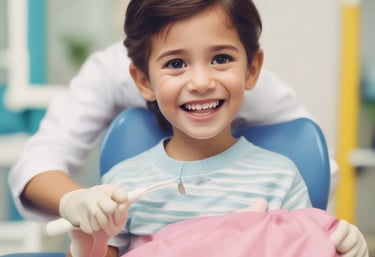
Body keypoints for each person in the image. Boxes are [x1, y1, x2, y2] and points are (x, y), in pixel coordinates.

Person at [63, 0, 367, 256]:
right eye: (176, 64)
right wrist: (89, 241)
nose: (201, 83)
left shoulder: (280, 179)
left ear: (251, 69)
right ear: (144, 81)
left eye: (221, 59)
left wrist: (338, 247)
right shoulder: (123, 187)